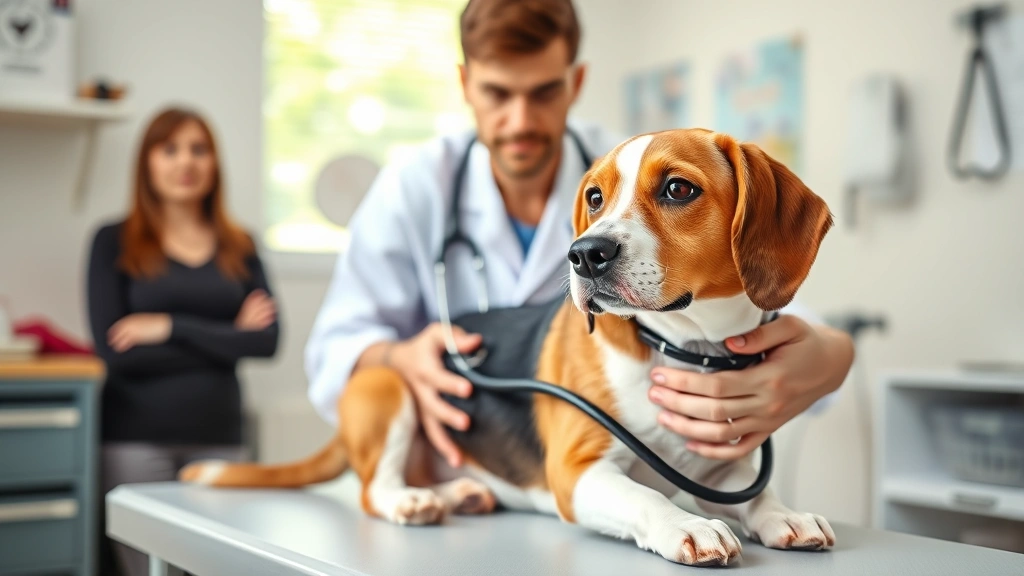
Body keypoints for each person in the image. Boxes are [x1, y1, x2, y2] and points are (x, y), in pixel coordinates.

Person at [305, 0, 854, 469]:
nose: (520, 120)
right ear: (465, 85)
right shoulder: (413, 187)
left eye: (544, 92)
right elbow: (334, 346)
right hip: (458, 461)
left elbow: (765, 285)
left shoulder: (635, 165)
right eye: (498, 93)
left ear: (576, 82)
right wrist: (394, 358)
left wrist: (832, 357)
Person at [86, 107, 280, 576]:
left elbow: (268, 342)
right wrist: (228, 334)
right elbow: (117, 354)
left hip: (222, 440)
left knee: (216, 567)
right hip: (134, 441)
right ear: (147, 162)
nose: (185, 162)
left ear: (215, 163)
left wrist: (169, 327)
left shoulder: (241, 246)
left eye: (199, 149)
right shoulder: (113, 242)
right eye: (169, 149)